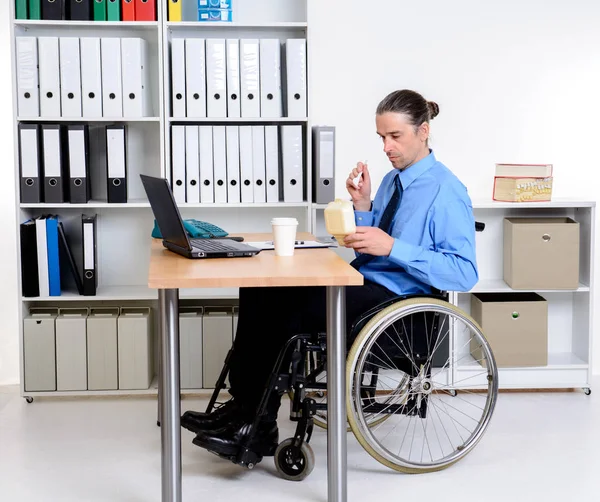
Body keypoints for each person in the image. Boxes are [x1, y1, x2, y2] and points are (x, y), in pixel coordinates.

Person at [181, 89, 479, 458]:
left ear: (423, 131)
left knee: (285, 310)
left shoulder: (447, 191)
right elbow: (371, 246)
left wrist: (393, 247)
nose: (386, 147)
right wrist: (363, 206)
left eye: (395, 136)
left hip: (397, 300)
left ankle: (256, 427)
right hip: (364, 280)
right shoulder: (392, 181)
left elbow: (464, 273)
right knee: (260, 289)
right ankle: (242, 407)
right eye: (381, 137)